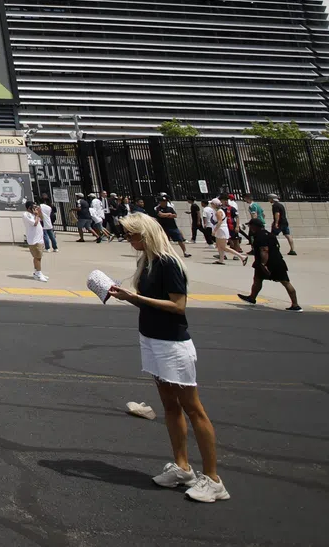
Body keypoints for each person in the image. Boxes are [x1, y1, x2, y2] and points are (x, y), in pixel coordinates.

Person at [107, 212, 229, 503]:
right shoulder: (146, 262)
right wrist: (126, 296)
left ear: (146, 234)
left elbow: (178, 305)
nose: (128, 240)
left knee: (192, 407)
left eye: (131, 235)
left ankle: (213, 479)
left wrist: (135, 298)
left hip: (172, 344)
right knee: (169, 406)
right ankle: (183, 467)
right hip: (151, 338)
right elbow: (150, 303)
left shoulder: (168, 262)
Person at [238, 218, 300, 311]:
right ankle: (295, 305)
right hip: (278, 261)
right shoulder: (269, 234)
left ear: (255, 226)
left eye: (250, 225)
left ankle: (252, 298)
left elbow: (264, 250)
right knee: (260, 279)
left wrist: (263, 264)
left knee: (264, 280)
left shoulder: (260, 236)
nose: (249, 227)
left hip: (267, 262)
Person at [22, 202, 48, 281]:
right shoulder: (26, 214)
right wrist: (36, 215)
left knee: (38, 257)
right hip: (34, 240)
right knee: (37, 257)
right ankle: (38, 273)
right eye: (33, 207)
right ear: (29, 208)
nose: (35, 209)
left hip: (39, 239)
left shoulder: (34, 215)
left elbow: (42, 219)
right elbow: (35, 223)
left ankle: (37, 272)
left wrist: (39, 212)